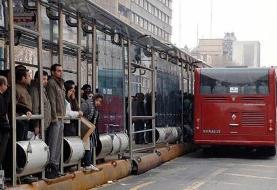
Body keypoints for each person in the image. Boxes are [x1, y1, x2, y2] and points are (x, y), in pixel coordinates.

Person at [45, 64, 65, 179]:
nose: (60, 73)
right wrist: (53, 118)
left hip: (61, 116)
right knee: (53, 143)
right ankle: (51, 168)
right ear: (52, 72)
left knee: (58, 144)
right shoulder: (52, 83)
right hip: (55, 117)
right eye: (58, 71)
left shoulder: (61, 83)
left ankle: (56, 167)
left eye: (61, 71)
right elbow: (52, 101)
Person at [81, 93, 103, 171]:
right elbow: (80, 115)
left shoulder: (95, 108)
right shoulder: (87, 105)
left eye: (100, 102)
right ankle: (87, 164)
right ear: (94, 100)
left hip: (89, 129)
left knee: (89, 146)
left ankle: (88, 163)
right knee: (87, 146)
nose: (99, 103)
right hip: (84, 129)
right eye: (98, 101)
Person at [29, 71, 51, 140]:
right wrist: (36, 126)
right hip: (40, 126)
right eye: (43, 79)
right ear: (37, 79)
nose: (46, 81)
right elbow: (35, 108)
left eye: (46, 79)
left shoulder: (43, 89)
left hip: (44, 125)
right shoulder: (35, 90)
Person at [15, 67, 32, 141]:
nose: (30, 78)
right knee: (20, 144)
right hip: (20, 121)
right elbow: (14, 105)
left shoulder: (24, 88)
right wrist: (26, 110)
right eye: (28, 76)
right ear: (23, 78)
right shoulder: (16, 88)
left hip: (25, 120)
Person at [0, 76, 9, 169]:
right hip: (2, 130)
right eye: (6, 85)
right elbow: (2, 115)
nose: (7, 87)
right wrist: (7, 127)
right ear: (2, 85)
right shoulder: (1, 98)